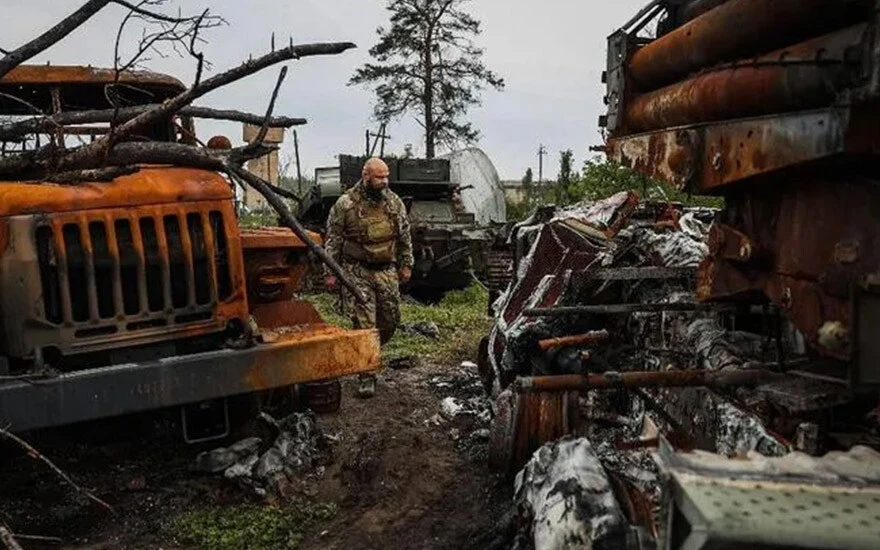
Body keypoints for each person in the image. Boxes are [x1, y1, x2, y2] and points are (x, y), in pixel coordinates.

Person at [323, 157, 413, 397]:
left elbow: (404, 236)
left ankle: (366, 351)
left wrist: (406, 265)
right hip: (357, 271)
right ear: (366, 176)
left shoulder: (394, 203)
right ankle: (366, 374)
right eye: (379, 177)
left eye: (386, 176)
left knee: (390, 320)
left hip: (386, 271)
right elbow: (333, 240)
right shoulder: (345, 205)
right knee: (365, 324)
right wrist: (330, 272)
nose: (384, 181)